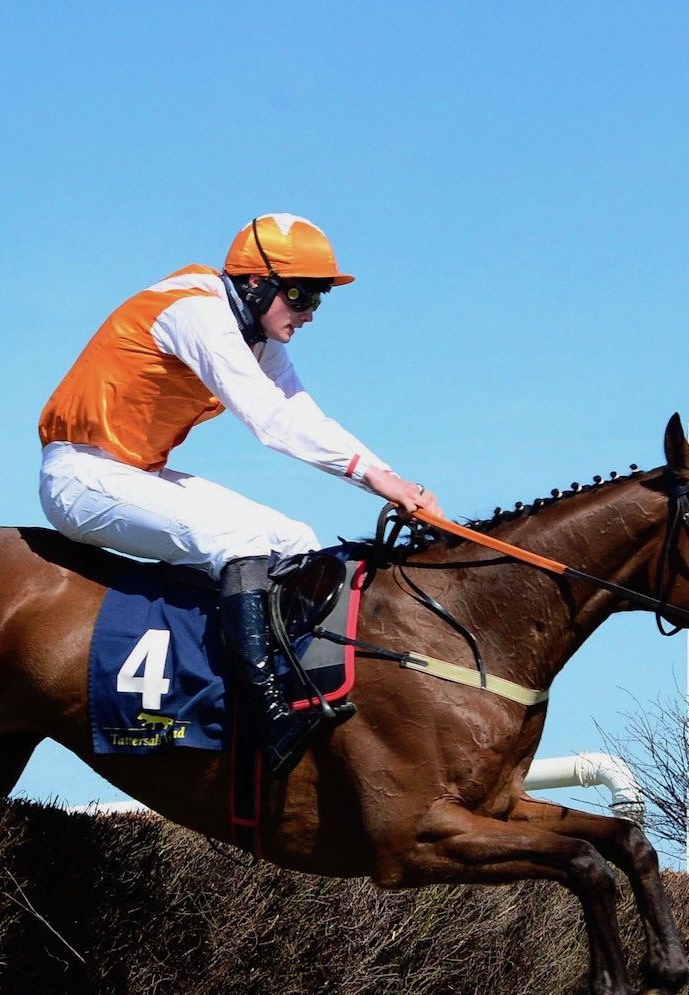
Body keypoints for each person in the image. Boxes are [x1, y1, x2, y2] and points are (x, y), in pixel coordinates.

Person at [36, 214, 441, 773]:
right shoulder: (198, 311)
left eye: (318, 299)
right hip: (80, 476)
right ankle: (265, 718)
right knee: (238, 538)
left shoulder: (254, 333)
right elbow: (270, 420)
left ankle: (295, 684)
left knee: (295, 539)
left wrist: (398, 482)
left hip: (136, 474)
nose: (309, 313)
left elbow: (304, 413)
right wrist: (376, 480)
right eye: (300, 296)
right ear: (256, 282)